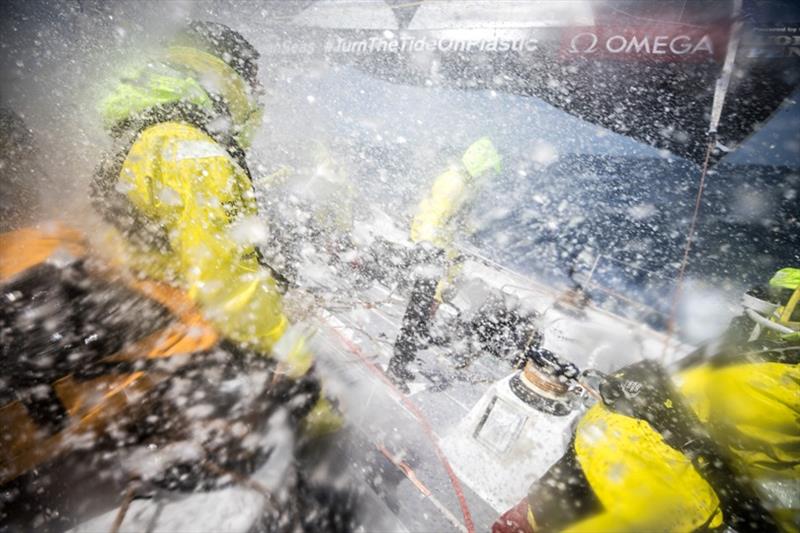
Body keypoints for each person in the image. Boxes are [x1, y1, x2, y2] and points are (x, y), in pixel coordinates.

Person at [493, 267, 800, 532]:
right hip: (645, 490)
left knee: (521, 524)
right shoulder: (750, 354)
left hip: (608, 461)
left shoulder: (743, 353)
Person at [387, 137, 502, 388]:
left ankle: (402, 362)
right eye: (487, 170)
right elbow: (433, 216)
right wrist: (428, 247)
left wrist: (466, 236)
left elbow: (456, 220)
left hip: (440, 252)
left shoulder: (466, 185)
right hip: (431, 252)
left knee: (424, 312)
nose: (488, 177)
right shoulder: (454, 183)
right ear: (478, 164)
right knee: (417, 313)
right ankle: (396, 368)